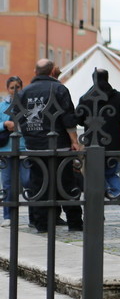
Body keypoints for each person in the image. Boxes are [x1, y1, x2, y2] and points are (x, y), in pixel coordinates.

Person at [18, 59, 83, 234]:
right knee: (67, 184)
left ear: (35, 71)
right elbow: (68, 118)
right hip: (58, 145)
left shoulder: (24, 92)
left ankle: (41, 224)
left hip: (34, 145)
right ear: (52, 70)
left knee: (39, 185)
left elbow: (19, 119)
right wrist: (74, 141)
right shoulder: (59, 89)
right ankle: (75, 222)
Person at [76, 69, 120, 209]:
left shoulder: (85, 98)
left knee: (95, 177)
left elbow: (79, 119)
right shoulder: (118, 97)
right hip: (113, 143)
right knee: (110, 174)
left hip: (92, 143)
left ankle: (98, 211)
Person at [0, 76, 30, 228]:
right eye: (12, 87)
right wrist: (4, 124)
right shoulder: (1, 105)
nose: (15, 90)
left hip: (23, 148)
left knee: (28, 181)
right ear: (8, 89)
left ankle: (33, 217)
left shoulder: (27, 105)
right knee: (8, 185)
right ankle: (8, 216)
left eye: (17, 87)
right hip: (6, 149)